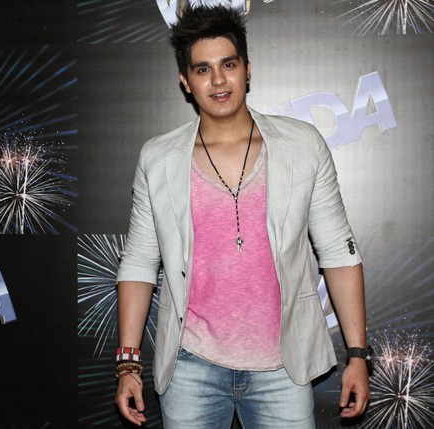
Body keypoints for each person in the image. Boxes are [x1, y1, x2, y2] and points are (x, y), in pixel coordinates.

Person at [114, 4, 370, 428]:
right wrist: (128, 363)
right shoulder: (158, 159)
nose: (218, 80)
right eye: (203, 69)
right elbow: (139, 262)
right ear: (185, 81)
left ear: (247, 70)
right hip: (189, 368)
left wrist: (358, 355)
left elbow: (338, 253)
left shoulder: (302, 146)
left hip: (283, 367)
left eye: (228, 65)